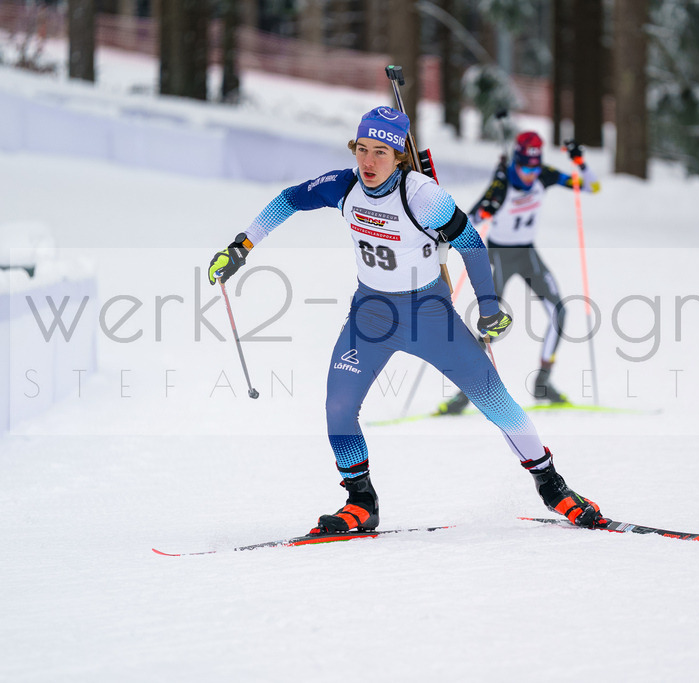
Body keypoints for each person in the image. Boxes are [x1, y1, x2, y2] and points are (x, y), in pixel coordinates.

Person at [208, 106, 602, 533]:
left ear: (398, 155)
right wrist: (242, 246)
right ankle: (361, 501)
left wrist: (488, 308)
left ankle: (553, 487)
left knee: (497, 403)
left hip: (430, 316)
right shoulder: (344, 187)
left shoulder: (422, 196)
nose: (368, 162)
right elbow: (288, 200)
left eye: (381, 151)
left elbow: (469, 243)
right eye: (362, 149)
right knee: (338, 406)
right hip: (371, 315)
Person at [436, 131, 600, 416]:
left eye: (534, 169)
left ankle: (543, 383)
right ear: (516, 163)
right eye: (524, 168)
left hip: (527, 254)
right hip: (499, 255)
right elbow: (470, 219)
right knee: (492, 325)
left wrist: (579, 162)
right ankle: (465, 393)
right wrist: (486, 209)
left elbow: (591, 188)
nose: (529, 175)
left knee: (559, 312)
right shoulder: (502, 183)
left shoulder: (543, 175)